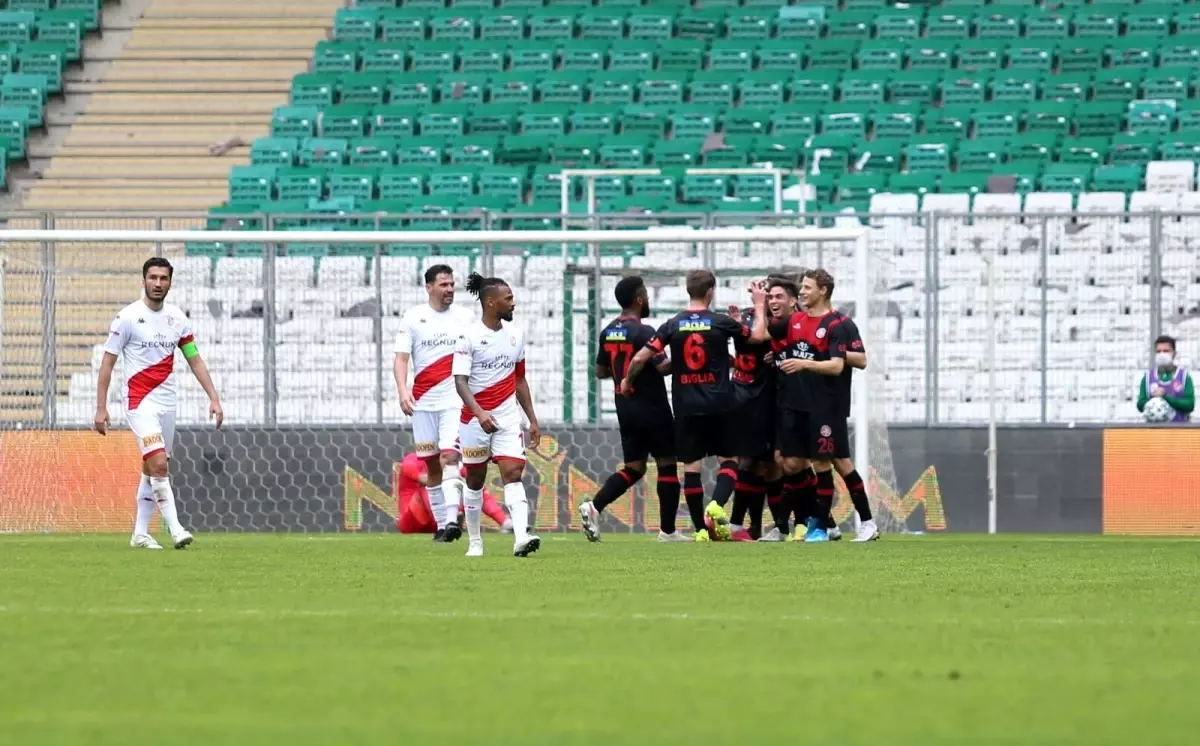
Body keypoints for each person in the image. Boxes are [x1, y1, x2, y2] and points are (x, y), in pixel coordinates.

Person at [94, 257, 223, 550]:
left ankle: (140, 533)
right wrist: (101, 407)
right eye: (152, 278)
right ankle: (176, 529)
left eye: (163, 278)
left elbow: (194, 358)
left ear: (170, 283)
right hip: (139, 403)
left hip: (168, 403)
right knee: (159, 463)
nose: (158, 283)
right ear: (143, 281)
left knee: (154, 468)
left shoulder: (177, 318)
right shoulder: (127, 317)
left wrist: (213, 397)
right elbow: (107, 364)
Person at [621, 269, 748, 542]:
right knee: (729, 460)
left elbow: (640, 359)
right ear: (711, 291)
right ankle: (715, 506)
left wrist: (627, 382)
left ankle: (700, 532)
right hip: (720, 402)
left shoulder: (672, 324)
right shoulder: (721, 322)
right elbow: (752, 338)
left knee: (692, 467)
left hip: (686, 405)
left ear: (688, 291)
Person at [579, 276, 688, 543]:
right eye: (646, 295)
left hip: (625, 408)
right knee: (667, 466)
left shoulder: (607, 331)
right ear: (639, 299)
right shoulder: (644, 331)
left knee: (634, 468)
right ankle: (668, 532)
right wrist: (686, 356)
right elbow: (663, 367)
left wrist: (622, 373)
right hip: (652, 407)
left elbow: (600, 371)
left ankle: (594, 506)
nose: (648, 299)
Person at [748, 269, 852, 543]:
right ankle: (813, 522)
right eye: (769, 297)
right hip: (781, 401)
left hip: (811, 403)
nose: (772, 301)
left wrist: (833, 355)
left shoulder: (813, 323)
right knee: (786, 463)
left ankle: (813, 523)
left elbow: (844, 359)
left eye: (779, 296)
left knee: (821, 462)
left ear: (794, 301)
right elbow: (761, 337)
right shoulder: (784, 325)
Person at [454, 273, 542, 558]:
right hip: (474, 420)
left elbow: (519, 380)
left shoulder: (516, 336)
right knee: (475, 480)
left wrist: (532, 419)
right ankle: (476, 542)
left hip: (506, 418)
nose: (513, 304)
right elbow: (460, 381)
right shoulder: (468, 337)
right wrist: (479, 413)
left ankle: (520, 538)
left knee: (513, 473)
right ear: (491, 302)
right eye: (508, 299)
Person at [394, 264, 473, 542]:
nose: (450, 289)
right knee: (432, 467)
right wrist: (403, 390)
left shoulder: (466, 317)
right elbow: (401, 358)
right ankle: (442, 525)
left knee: (450, 456)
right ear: (429, 288)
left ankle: (453, 519)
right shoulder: (414, 318)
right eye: (443, 285)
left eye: (452, 284)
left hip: (455, 400)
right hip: (423, 403)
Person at [824, 296, 881, 543]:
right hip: (798, 404)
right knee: (797, 464)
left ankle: (867, 522)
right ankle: (825, 525)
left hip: (830, 405)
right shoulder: (798, 324)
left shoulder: (842, 324)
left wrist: (833, 352)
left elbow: (861, 359)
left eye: (807, 287)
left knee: (840, 462)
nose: (804, 293)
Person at [396, 452, 512, 534]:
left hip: (437, 522)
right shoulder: (411, 460)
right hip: (412, 521)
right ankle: (451, 518)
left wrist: (459, 469)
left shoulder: (453, 465)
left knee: (475, 488)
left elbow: (473, 478)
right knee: (430, 487)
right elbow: (426, 480)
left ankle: (506, 523)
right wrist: (446, 467)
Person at [1136, 335, 1194, 422]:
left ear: (1174, 353)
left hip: (1179, 431)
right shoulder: (1147, 377)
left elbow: (1190, 405)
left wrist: (1166, 397)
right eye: (1158, 351)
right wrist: (1153, 400)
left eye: (1166, 351)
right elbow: (1140, 405)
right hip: (1153, 431)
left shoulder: (1184, 377)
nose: (1162, 354)